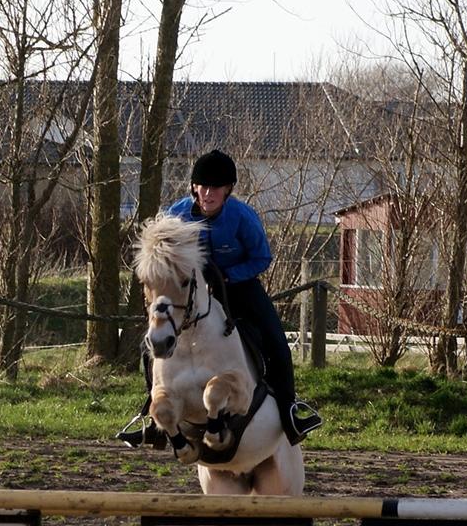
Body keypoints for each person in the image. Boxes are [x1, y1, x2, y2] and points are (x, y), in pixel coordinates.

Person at [118, 149, 322, 447]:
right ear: (194, 187)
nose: (208, 193)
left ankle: (291, 412)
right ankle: (151, 419)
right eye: (203, 186)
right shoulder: (177, 215)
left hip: (239, 287)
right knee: (150, 346)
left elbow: (262, 257)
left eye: (216, 188)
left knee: (276, 340)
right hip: (189, 293)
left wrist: (226, 276)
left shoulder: (242, 217)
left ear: (227, 190)